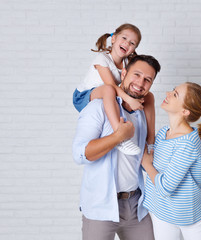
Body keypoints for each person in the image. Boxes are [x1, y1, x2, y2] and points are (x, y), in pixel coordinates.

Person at [72, 54, 161, 240]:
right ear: (124, 72)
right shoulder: (97, 107)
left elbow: (143, 159)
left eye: (147, 80)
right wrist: (117, 137)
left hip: (136, 207)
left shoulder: (143, 111)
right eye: (136, 75)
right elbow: (79, 154)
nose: (140, 83)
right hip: (100, 207)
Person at [141, 82, 201, 240]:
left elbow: (165, 187)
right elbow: (198, 179)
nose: (168, 93)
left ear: (185, 111)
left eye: (175, 94)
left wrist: (146, 164)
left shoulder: (188, 142)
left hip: (189, 215)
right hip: (161, 212)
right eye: (173, 90)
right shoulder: (163, 133)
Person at [73, 23, 156, 155]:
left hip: (107, 92)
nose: (127, 43)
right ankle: (120, 134)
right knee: (108, 90)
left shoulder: (126, 64)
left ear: (133, 49)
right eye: (124, 38)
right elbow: (111, 85)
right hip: (83, 96)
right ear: (113, 39)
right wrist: (130, 99)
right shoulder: (102, 59)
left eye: (132, 43)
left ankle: (151, 142)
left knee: (149, 96)